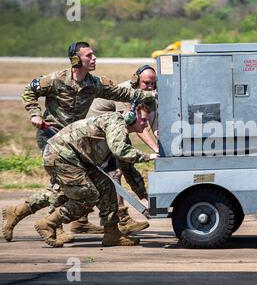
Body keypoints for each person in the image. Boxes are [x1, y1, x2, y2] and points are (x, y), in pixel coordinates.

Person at [1, 41, 156, 243]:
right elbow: (29, 91)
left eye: (93, 55)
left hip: (77, 142)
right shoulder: (55, 80)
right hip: (52, 136)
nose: (94, 59)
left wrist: (152, 94)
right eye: (89, 55)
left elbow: (124, 93)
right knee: (67, 187)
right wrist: (34, 113)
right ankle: (51, 224)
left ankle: (101, 230)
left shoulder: (94, 84)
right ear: (76, 60)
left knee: (85, 185)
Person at [35, 102, 157, 247]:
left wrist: (144, 194)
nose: (145, 124)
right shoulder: (117, 123)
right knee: (88, 195)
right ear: (131, 116)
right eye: (143, 120)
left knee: (107, 187)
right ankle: (48, 223)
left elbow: (126, 166)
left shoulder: (120, 131)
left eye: (147, 121)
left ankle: (112, 234)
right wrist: (148, 157)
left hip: (75, 157)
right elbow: (119, 151)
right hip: (61, 155)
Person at [85, 65, 159, 235]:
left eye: (152, 84)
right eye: (146, 83)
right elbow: (138, 126)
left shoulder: (149, 95)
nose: (149, 87)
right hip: (97, 132)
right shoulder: (125, 92)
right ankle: (122, 217)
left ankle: (80, 222)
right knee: (115, 171)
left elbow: (153, 123)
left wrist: (164, 146)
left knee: (119, 169)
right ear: (136, 81)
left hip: (113, 129)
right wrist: (155, 150)